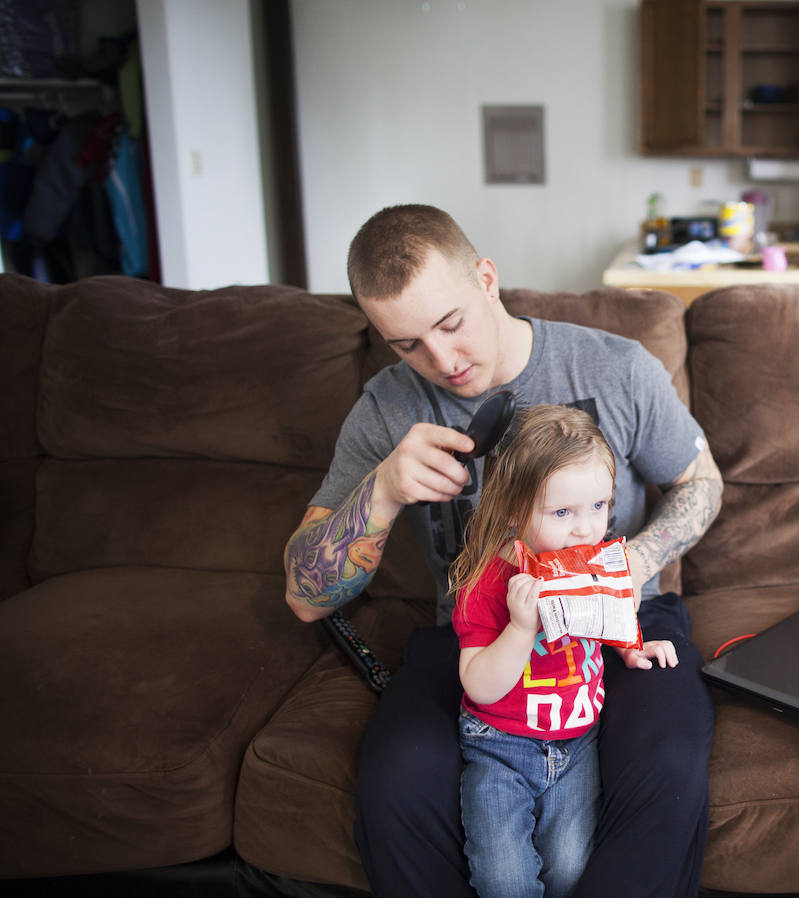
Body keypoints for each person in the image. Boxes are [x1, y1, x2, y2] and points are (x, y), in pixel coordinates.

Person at [282, 203, 722, 898]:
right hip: (477, 626)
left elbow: (702, 486)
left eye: (450, 324)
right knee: (396, 784)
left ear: (487, 279)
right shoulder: (387, 409)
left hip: (621, 622)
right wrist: (384, 491)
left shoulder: (617, 368)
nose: (443, 361)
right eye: (407, 345)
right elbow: (305, 598)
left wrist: (634, 562)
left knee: (666, 769)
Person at [450, 403, 678, 898]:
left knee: (570, 867)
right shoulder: (488, 584)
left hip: (577, 742)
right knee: (504, 879)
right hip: (500, 744)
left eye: (599, 506)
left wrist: (631, 647)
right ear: (514, 510)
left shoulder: (591, 563)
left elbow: (602, 626)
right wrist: (519, 627)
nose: (586, 529)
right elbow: (479, 686)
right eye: (562, 513)